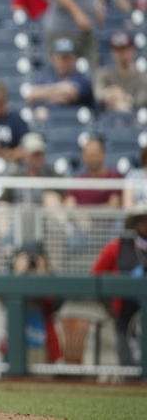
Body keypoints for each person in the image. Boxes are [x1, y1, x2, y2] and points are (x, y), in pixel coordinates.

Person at [91, 206, 147, 366]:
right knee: (128, 364)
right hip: (124, 316)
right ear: (135, 223)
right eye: (142, 220)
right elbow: (96, 276)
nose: (145, 224)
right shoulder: (117, 247)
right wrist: (110, 309)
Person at [26, 38, 94, 110]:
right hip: (50, 120)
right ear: (54, 59)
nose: (64, 62)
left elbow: (69, 93)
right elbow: (31, 95)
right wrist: (57, 92)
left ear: (74, 58)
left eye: (68, 57)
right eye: (61, 58)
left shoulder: (81, 78)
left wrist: (44, 95)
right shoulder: (46, 76)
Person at [94, 31, 147, 112]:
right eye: (118, 49)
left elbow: (140, 100)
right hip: (109, 119)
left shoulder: (143, 76)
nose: (122, 53)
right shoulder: (104, 74)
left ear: (132, 50)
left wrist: (123, 97)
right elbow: (98, 95)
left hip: (135, 120)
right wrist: (110, 93)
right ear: (113, 52)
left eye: (125, 49)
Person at [63, 137, 123, 208]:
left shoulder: (114, 177)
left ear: (103, 154)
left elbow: (113, 206)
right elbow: (69, 205)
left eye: (95, 153)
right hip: (79, 218)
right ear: (83, 157)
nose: (93, 158)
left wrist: (86, 214)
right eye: (89, 154)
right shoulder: (76, 181)